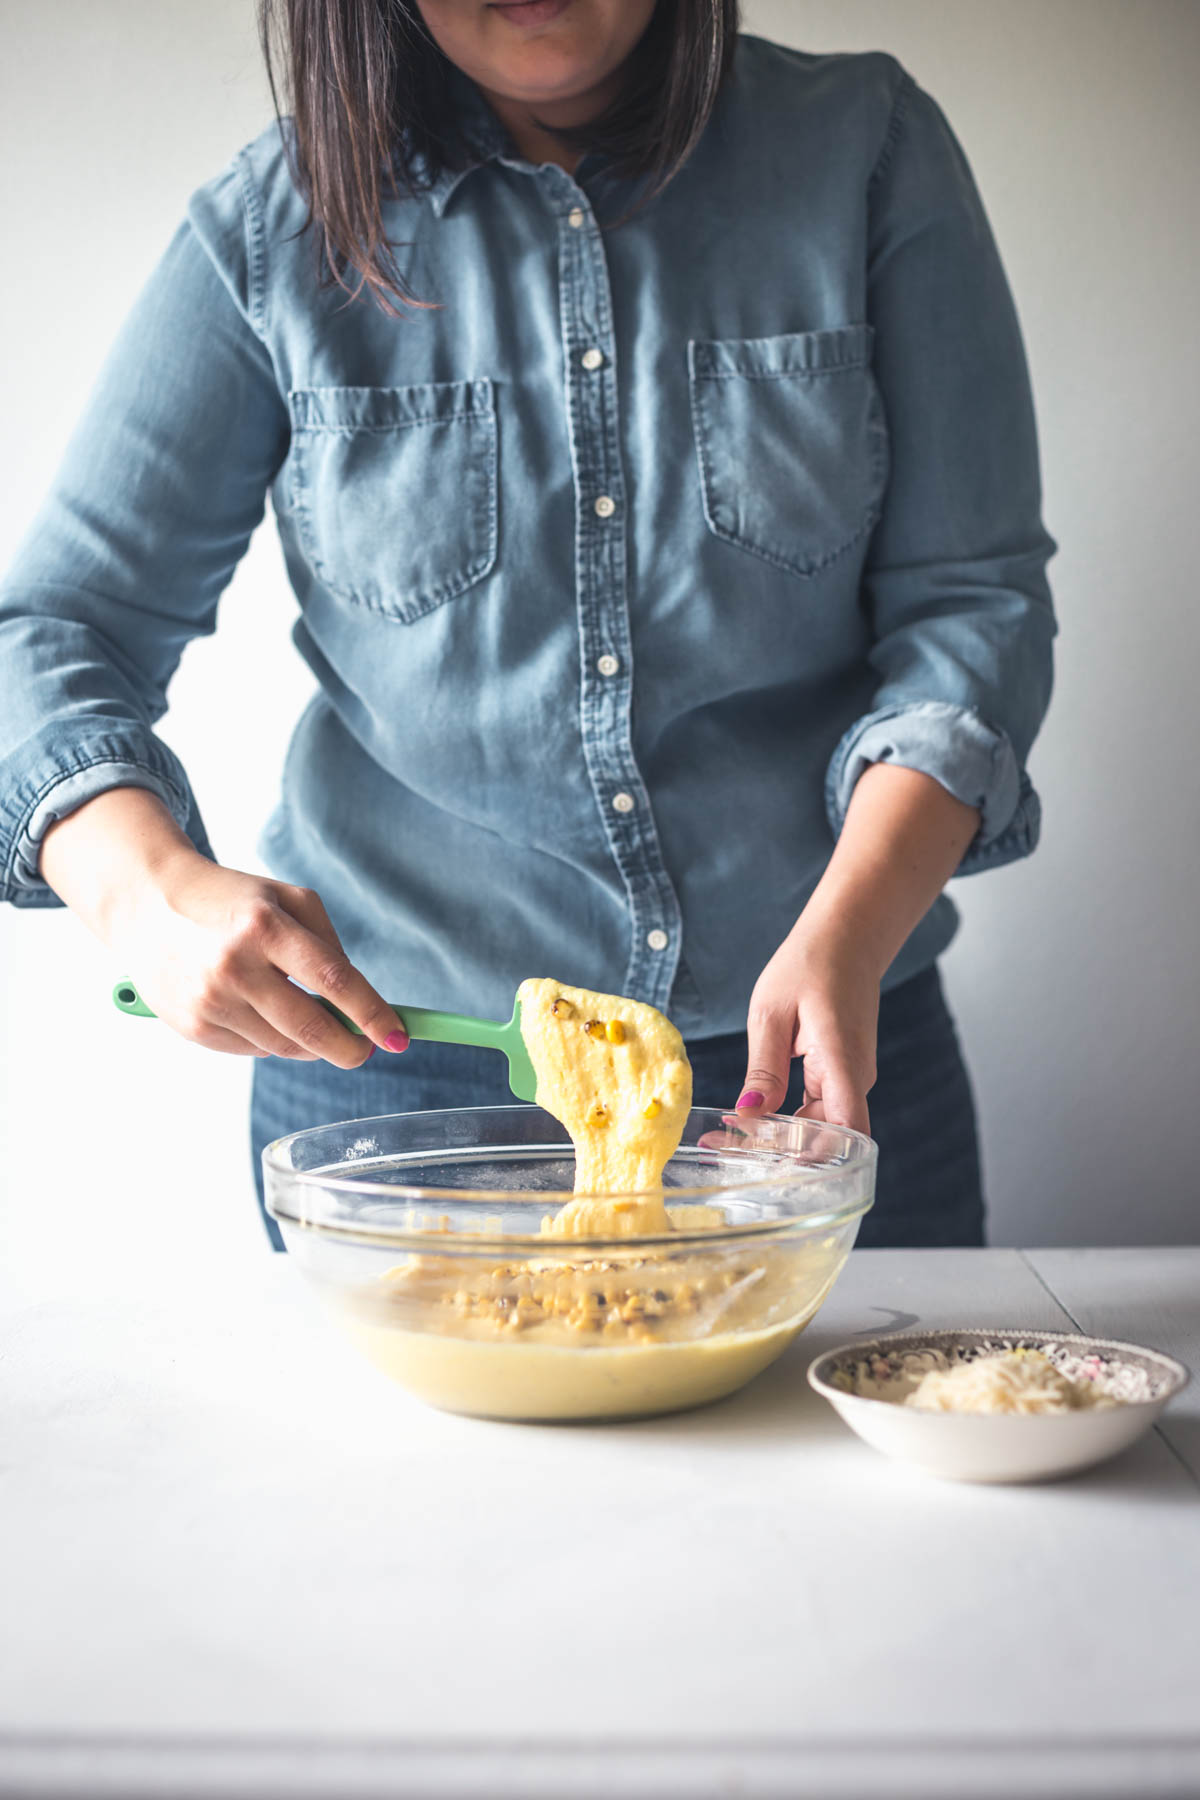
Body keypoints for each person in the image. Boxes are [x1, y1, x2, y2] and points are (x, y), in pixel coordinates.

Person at [0, 0, 1055, 1251]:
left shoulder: (866, 149)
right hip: (402, 1095)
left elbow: (972, 607)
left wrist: (850, 927)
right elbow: (53, 634)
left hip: (818, 1068)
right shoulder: (268, 231)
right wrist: (146, 893)